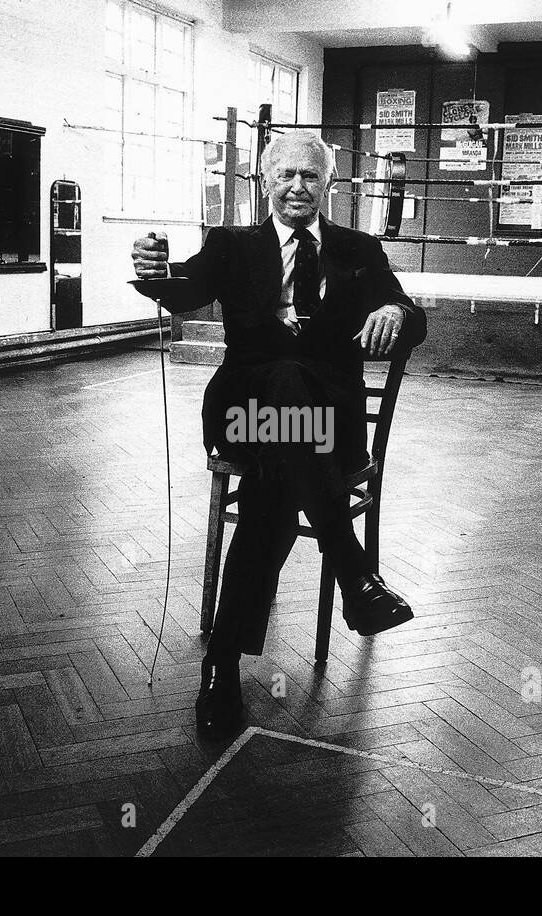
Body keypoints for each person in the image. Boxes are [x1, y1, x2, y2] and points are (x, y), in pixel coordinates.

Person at [131, 131, 427, 733]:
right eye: (286, 174)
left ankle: (220, 667)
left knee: (272, 489)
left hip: (315, 427)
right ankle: (355, 573)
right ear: (266, 180)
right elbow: (184, 289)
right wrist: (153, 272)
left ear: (329, 184)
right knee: (287, 388)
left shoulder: (359, 249)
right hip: (246, 413)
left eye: (310, 176)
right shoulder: (233, 245)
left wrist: (395, 311)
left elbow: (409, 312)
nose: (298, 185)